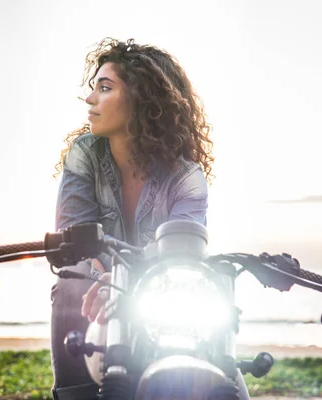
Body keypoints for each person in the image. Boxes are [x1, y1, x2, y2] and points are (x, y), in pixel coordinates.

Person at [50, 37, 214, 400]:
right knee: (70, 284)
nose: (90, 99)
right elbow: (73, 236)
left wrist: (127, 287)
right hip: (92, 289)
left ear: (142, 100)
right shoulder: (84, 155)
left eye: (105, 88)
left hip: (158, 296)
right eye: (93, 89)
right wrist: (107, 279)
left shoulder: (187, 178)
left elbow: (184, 255)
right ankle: (72, 394)